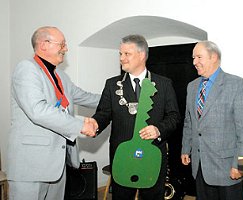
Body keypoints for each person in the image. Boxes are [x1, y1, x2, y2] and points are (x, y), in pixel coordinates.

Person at [7, 26, 100, 200]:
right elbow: (38, 110)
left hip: (57, 164)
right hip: (31, 165)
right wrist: (81, 125)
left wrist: (118, 98)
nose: (66, 49)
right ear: (44, 45)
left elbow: (86, 97)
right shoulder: (26, 69)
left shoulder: (61, 77)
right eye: (62, 44)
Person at [90, 34, 181, 200]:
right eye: (120, 54)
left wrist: (159, 129)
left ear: (142, 55)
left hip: (152, 153)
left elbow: (174, 116)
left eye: (127, 54)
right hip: (122, 156)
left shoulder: (163, 84)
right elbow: (103, 114)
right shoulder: (112, 85)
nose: (122, 58)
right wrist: (94, 123)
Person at [181, 41, 243, 200]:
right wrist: (186, 148)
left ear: (213, 57)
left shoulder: (236, 84)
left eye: (199, 57)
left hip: (227, 168)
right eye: (193, 58)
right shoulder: (192, 86)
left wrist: (240, 165)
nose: (194, 62)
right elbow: (189, 122)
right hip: (200, 166)